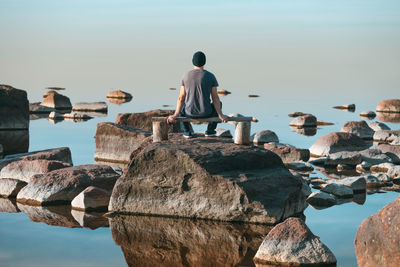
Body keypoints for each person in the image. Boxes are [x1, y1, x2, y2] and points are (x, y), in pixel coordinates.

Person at [167, 51, 228, 138]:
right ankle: (210, 130)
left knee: (182, 107)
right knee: (219, 103)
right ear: (204, 61)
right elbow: (215, 98)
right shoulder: (211, 76)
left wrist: (175, 114)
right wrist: (221, 115)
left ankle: (187, 132)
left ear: (193, 61)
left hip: (189, 113)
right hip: (206, 112)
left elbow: (181, 98)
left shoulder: (186, 76)